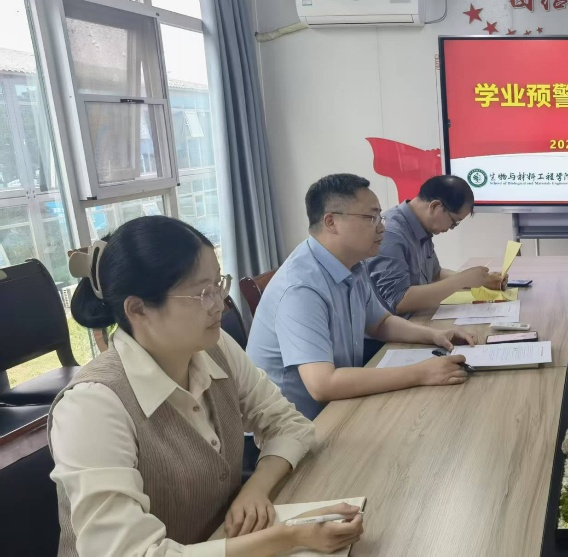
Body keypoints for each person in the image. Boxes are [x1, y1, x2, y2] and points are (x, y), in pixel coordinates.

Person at [51, 216, 363, 555]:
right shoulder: (92, 407)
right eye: (202, 293)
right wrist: (290, 537)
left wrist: (255, 488)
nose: (219, 304)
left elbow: (289, 424)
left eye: (218, 284)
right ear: (138, 309)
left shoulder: (214, 347)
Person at [248, 174, 475, 420]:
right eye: (371, 218)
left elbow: (380, 323)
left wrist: (435, 335)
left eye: (380, 217)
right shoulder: (301, 288)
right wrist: (422, 373)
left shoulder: (352, 265)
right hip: (293, 425)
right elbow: (323, 384)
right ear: (331, 222)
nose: (382, 227)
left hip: (338, 405)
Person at [368, 175, 506, 314]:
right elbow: (398, 300)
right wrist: (462, 280)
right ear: (435, 206)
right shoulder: (391, 233)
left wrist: (479, 281)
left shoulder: (422, 227)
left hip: (418, 317)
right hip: (396, 324)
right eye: (453, 222)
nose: (451, 228)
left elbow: (436, 274)